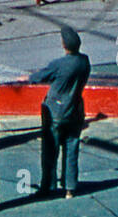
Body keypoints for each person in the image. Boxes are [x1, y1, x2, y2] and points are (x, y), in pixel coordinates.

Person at [31, 25, 91, 199]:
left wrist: (28, 79)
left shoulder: (59, 64)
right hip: (75, 111)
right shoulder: (84, 61)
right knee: (72, 149)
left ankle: (47, 186)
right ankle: (70, 186)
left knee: (50, 151)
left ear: (64, 45)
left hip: (56, 111)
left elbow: (40, 77)